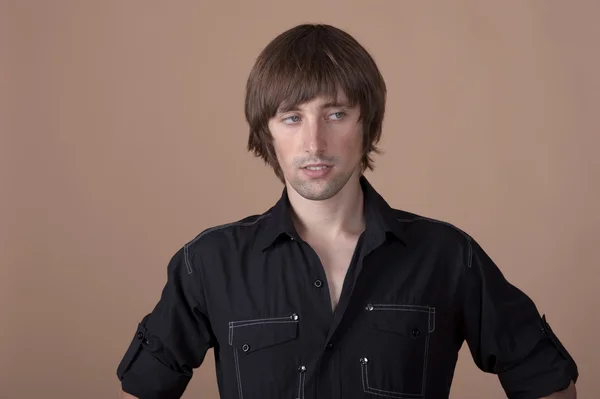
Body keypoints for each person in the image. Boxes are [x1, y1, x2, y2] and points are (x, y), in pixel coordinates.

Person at [116, 24, 578, 399]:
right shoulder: (210, 262)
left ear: (368, 124)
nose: (314, 142)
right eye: (292, 117)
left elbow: (545, 381)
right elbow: (144, 389)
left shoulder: (448, 256)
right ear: (267, 133)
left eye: (336, 113)